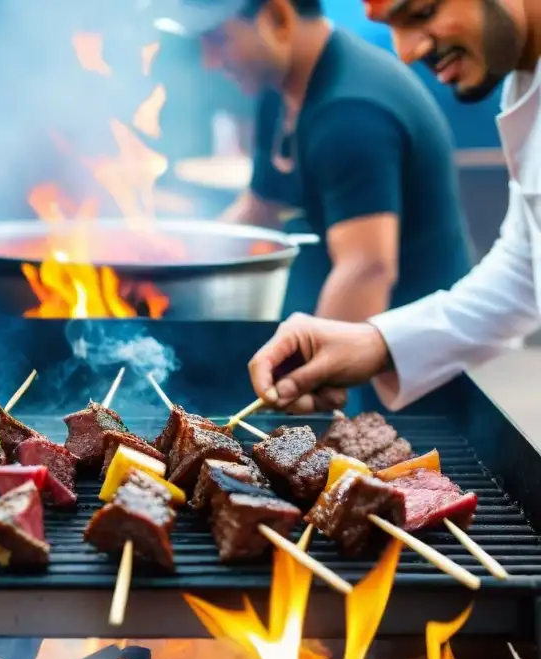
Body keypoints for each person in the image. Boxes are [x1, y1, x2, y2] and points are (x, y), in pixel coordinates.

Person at [245, 0, 541, 414]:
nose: (405, 52)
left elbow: (368, 265)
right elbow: (524, 273)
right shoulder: (524, 83)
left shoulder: (351, 106)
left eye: (422, 12)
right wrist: (375, 342)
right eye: (392, 26)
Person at [154, 0, 473, 322]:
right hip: (339, 307)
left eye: (220, 40)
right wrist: (174, 266)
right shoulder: (280, 88)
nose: (209, 62)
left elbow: (366, 270)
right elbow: (259, 211)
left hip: (409, 340)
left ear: (277, 17)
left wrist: (312, 369)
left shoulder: (350, 113)